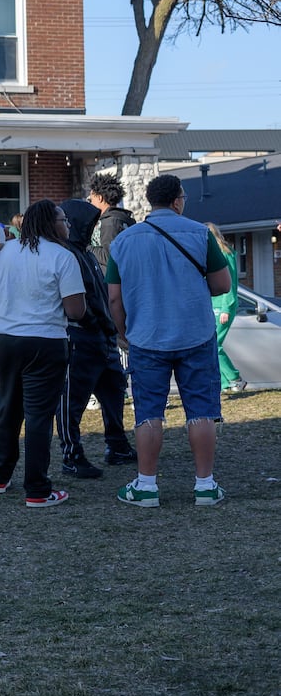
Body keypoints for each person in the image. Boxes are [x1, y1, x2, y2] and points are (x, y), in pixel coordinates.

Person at [107, 175, 232, 508]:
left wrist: (123, 333)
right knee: (202, 411)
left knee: (148, 413)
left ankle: (146, 485)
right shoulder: (199, 233)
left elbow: (114, 300)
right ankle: (205, 485)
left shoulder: (124, 241)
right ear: (178, 200)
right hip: (196, 333)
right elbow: (222, 285)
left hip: (147, 337)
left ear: (150, 200)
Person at [0, 200, 84, 507]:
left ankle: (0, 475)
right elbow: (76, 310)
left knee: (8, 409)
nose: (68, 225)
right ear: (51, 223)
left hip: (5, 341)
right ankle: (37, 489)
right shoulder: (63, 256)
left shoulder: (7, 251)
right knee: (38, 416)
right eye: (63, 220)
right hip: (45, 342)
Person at [55, 200, 136, 477]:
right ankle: (72, 455)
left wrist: (108, 328)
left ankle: (117, 445)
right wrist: (96, 322)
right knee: (72, 401)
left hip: (102, 337)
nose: (91, 229)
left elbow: (99, 293)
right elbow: (80, 301)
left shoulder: (85, 253)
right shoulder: (67, 255)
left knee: (113, 392)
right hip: (81, 337)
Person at [207, 223, 246, 394]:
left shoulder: (225, 254)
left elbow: (230, 285)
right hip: (213, 306)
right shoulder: (213, 255)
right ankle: (223, 384)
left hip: (223, 307)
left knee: (215, 345)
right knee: (211, 346)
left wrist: (225, 309)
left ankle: (235, 379)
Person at [87, 172, 135, 275]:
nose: (90, 203)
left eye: (91, 199)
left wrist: (87, 247)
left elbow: (109, 257)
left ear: (99, 198)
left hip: (111, 284)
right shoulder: (121, 218)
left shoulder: (110, 223)